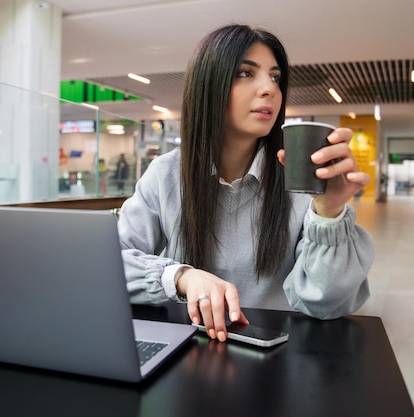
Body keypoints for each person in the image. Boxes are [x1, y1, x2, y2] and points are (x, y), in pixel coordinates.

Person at [117, 24, 374, 342]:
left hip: (279, 357)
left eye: (276, 77)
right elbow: (111, 262)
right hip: (188, 350)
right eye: (245, 73)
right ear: (208, 86)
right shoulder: (167, 173)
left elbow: (327, 304)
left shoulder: (298, 177)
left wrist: (330, 210)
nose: (269, 88)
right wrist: (182, 277)